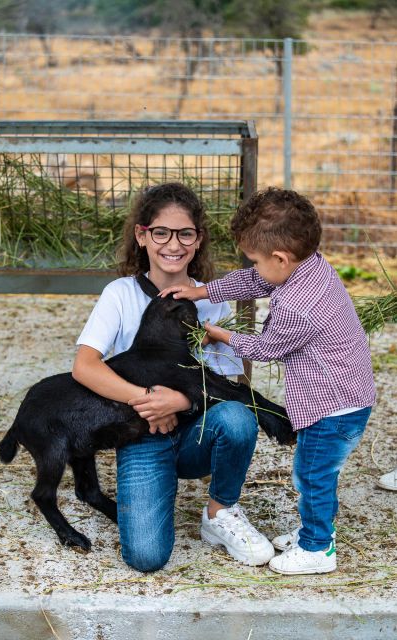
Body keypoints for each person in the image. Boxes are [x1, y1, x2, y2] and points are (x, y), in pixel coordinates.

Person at [161, 186, 376, 576]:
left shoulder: (298, 306)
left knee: (313, 475)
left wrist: (221, 334)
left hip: (333, 407)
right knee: (311, 472)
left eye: (256, 260)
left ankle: (318, 548)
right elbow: (252, 282)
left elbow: (267, 347)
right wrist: (203, 289)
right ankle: (315, 529)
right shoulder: (307, 267)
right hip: (347, 396)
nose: (254, 268)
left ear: (279, 258)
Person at [72, 182, 275, 572]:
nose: (173, 244)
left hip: (198, 428)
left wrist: (181, 401)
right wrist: (148, 399)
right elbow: (85, 366)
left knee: (237, 418)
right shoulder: (120, 294)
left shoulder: (210, 297)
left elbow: (230, 378)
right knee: (146, 556)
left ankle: (219, 514)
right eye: (161, 232)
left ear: (198, 240)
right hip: (141, 431)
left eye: (185, 233)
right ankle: (153, 485)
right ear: (142, 235)